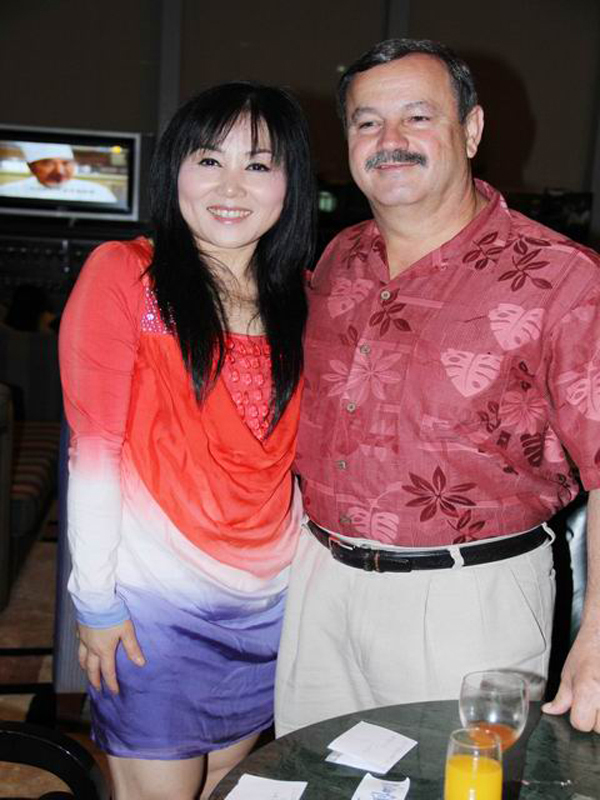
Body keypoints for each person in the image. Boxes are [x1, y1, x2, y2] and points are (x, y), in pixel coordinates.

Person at [275, 38, 600, 737]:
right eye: (367, 122)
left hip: (468, 599)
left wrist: (598, 641)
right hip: (320, 580)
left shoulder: (563, 278)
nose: (390, 141)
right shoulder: (339, 257)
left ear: (472, 129)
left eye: (418, 117)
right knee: (313, 777)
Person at [59, 82, 315, 800]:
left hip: (268, 605)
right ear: (175, 169)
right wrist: (97, 603)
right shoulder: (126, 275)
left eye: (259, 165)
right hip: (153, 608)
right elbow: (95, 450)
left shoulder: (304, 296)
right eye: (210, 159)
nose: (232, 186)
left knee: (231, 791)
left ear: (290, 184)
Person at [0, 142, 117, 202]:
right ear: (31, 167)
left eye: (66, 163)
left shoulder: (99, 193)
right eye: (48, 163)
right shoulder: (7, 191)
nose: (60, 171)